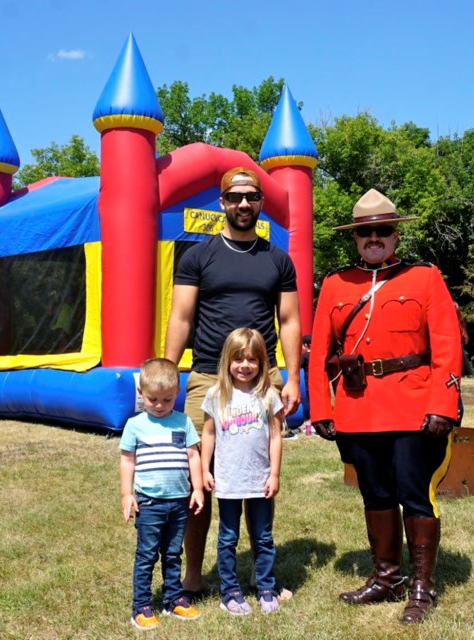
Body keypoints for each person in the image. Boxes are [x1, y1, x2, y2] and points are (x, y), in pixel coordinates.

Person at [308, 189, 462, 625]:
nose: (374, 238)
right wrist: (322, 407)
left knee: (415, 494)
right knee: (374, 493)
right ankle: (386, 577)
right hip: (358, 409)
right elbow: (319, 352)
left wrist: (443, 404)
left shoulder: (425, 277)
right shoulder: (336, 284)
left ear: (396, 234)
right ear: (355, 238)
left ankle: (421, 586)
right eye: (365, 232)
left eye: (383, 230)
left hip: (414, 405)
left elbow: (447, 348)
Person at [164, 166, 301, 599]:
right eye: (235, 197)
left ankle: (263, 578)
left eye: (252, 197)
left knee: (261, 474)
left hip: (264, 382)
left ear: (260, 203)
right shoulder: (197, 257)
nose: (244, 204)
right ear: (221, 202)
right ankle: (193, 575)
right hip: (208, 377)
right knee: (198, 480)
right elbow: (181, 316)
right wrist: (168, 372)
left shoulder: (277, 259)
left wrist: (291, 376)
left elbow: (290, 319)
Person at [200, 328, 284, 615]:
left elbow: (275, 436)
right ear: (227, 361)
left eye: (251, 359)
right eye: (238, 359)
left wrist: (274, 474)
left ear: (261, 362)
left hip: (259, 479)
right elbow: (208, 434)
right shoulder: (216, 395)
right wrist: (203, 469)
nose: (244, 365)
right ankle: (230, 591)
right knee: (227, 537)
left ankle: (265, 587)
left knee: (263, 536)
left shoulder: (269, 396)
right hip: (228, 480)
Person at [119, 358, 205, 630]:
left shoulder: (184, 422)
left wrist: (198, 488)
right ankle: (142, 606)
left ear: (176, 394)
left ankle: (173, 599)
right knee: (146, 555)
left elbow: (193, 456)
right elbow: (127, 460)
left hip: (179, 502)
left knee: (172, 553)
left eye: (167, 400)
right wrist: (126, 494)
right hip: (149, 503)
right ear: (141, 393)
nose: (159, 405)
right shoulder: (135, 425)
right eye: (153, 399)